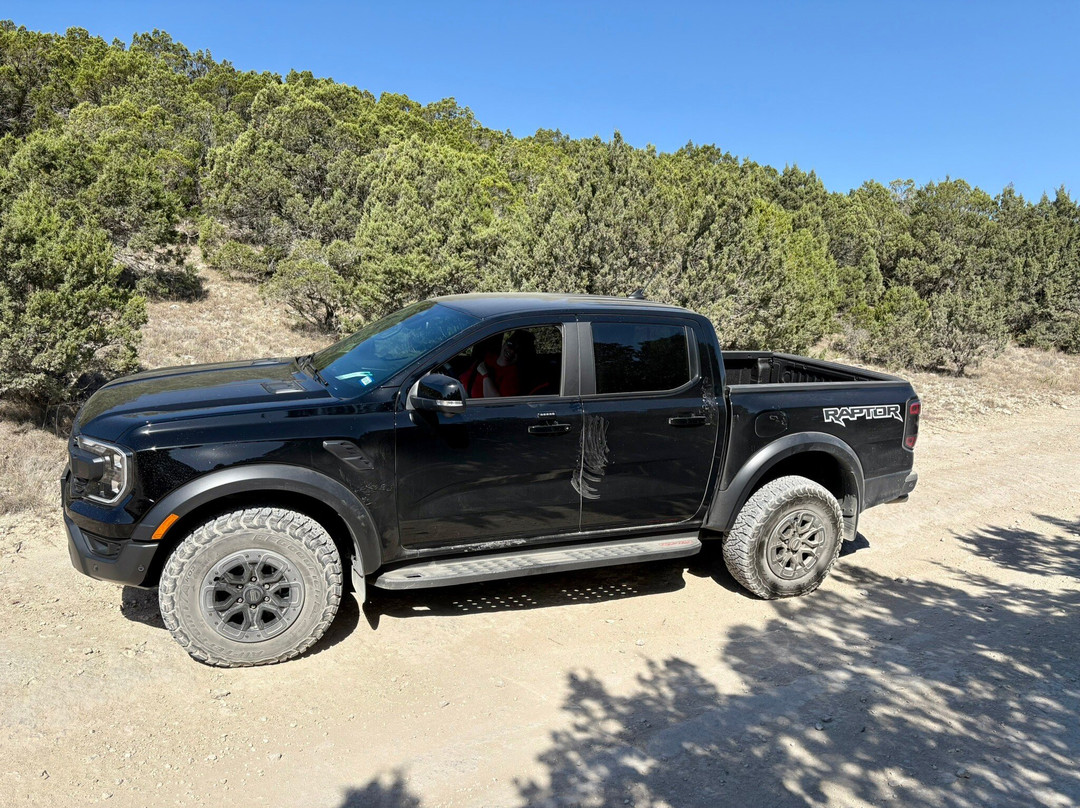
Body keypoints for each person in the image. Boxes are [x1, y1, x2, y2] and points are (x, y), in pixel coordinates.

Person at [460, 331, 533, 398]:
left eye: (519, 351)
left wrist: (486, 375)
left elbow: (494, 402)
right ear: (505, 343)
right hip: (459, 392)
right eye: (511, 345)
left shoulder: (513, 376)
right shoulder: (488, 357)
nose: (512, 351)